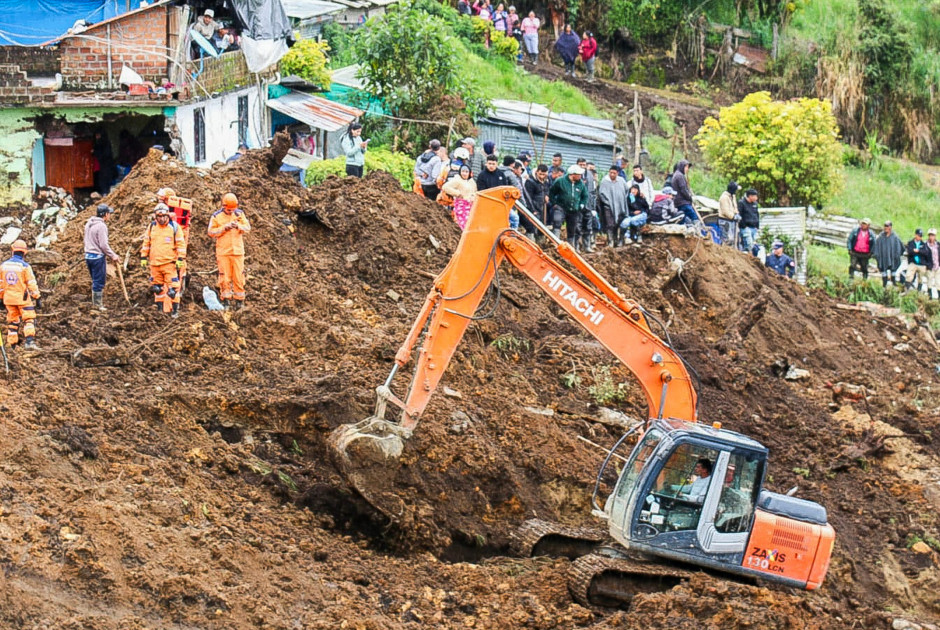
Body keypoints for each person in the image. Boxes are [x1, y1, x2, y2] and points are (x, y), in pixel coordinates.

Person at [141, 204, 186, 318]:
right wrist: (143, 257)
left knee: (173, 289)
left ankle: (175, 311)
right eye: (158, 216)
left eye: (163, 216)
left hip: (169, 264)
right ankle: (160, 312)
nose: (161, 218)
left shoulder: (174, 227)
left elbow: (181, 244)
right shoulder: (152, 227)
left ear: (167, 215)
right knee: (157, 289)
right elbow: (146, 243)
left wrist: (180, 259)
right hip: (155, 264)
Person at [208, 193, 251, 310]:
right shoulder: (216, 216)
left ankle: (239, 301)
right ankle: (226, 300)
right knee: (224, 277)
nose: (231, 211)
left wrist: (238, 226)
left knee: (239, 277)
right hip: (223, 252)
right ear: (224, 206)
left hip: (237, 251)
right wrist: (224, 228)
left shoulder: (239, 214)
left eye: (233, 209)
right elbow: (211, 232)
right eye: (229, 210)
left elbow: (247, 228)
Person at [0, 240, 41, 349]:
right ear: (24, 252)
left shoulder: (3, 266)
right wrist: (37, 297)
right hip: (22, 299)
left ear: (12, 250)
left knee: (13, 321)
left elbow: (1, 284)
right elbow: (31, 283)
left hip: (8, 299)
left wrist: (1, 298)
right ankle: (29, 342)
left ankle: (12, 344)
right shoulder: (25, 267)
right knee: (29, 319)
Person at [84, 203, 121, 311]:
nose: (109, 216)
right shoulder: (101, 226)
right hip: (97, 257)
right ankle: (97, 305)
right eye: (109, 214)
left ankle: (95, 303)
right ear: (105, 214)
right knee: (98, 281)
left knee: (95, 280)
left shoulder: (89, 223)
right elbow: (103, 245)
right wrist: (113, 255)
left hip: (88, 256)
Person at [549, 164, 588, 246]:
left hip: (574, 209)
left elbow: (585, 196)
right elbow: (552, 192)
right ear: (573, 174)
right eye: (579, 174)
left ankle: (570, 246)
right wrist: (554, 203)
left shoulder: (581, 184)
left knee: (572, 228)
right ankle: (555, 243)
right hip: (561, 207)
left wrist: (581, 204)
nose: (580, 176)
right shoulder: (560, 181)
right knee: (557, 221)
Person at [598, 164, 629, 247]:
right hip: (608, 206)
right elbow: (601, 194)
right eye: (611, 173)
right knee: (610, 223)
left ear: (617, 173)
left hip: (619, 206)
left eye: (614, 173)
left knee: (618, 223)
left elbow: (626, 191)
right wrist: (607, 202)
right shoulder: (605, 181)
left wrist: (622, 200)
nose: (612, 175)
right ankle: (610, 240)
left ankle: (617, 240)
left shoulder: (621, 181)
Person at [442, 164, 478, 230]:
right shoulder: (457, 180)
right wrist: (457, 194)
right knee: (462, 224)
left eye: (466, 172)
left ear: (469, 173)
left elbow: (475, 191)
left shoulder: (472, 182)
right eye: (463, 171)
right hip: (461, 205)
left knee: (470, 224)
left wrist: (473, 197)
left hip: (471, 205)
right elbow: (445, 187)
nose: (464, 173)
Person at [872, 220, 904, 288]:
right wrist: (877, 256)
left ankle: (893, 282)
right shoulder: (880, 237)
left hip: (893, 258)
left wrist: (897, 255)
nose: (886, 228)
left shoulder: (895, 237)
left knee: (893, 270)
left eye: (887, 226)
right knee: (883, 270)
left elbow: (901, 247)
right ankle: (884, 283)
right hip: (883, 258)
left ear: (890, 227)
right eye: (885, 226)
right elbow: (876, 247)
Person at [524, 164, 552, 237]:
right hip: (534, 207)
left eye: (544, 174)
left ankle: (541, 243)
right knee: (533, 226)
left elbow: (547, 190)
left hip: (542, 206)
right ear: (537, 172)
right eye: (540, 174)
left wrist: (547, 195)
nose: (542, 176)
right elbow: (528, 197)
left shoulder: (547, 180)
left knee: (542, 226)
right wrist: (533, 210)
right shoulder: (530, 181)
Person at [671, 159, 698, 224]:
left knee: (684, 219)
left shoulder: (676, 175)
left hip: (678, 203)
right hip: (683, 203)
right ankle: (698, 231)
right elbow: (684, 190)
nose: (687, 169)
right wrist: (690, 198)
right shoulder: (679, 176)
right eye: (686, 167)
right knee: (694, 218)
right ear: (682, 166)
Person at [905, 228, 932, 293]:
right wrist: (915, 251)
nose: (920, 237)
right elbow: (909, 251)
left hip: (921, 263)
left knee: (921, 278)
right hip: (913, 262)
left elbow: (925, 252)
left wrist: (918, 251)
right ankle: (907, 290)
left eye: (921, 236)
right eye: (919, 235)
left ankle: (918, 291)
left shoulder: (923, 244)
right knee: (908, 275)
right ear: (915, 235)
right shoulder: (910, 243)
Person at [717, 181, 739, 247]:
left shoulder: (732, 197)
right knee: (727, 239)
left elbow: (735, 206)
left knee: (733, 239)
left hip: (732, 221)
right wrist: (733, 216)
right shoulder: (724, 197)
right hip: (725, 221)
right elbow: (725, 211)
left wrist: (736, 213)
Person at [738, 188, 760, 255]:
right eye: (755, 196)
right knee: (748, 244)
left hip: (754, 228)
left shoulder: (755, 204)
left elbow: (757, 214)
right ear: (750, 196)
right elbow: (739, 215)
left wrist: (757, 226)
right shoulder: (741, 203)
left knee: (754, 245)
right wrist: (744, 226)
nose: (756, 198)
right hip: (746, 228)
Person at [926, 228, 939, 299]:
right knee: (929, 282)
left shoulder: (938, 244)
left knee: (938, 282)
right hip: (930, 266)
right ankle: (929, 297)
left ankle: (939, 298)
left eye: (933, 235)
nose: (931, 237)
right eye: (930, 235)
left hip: (937, 266)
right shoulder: (926, 245)